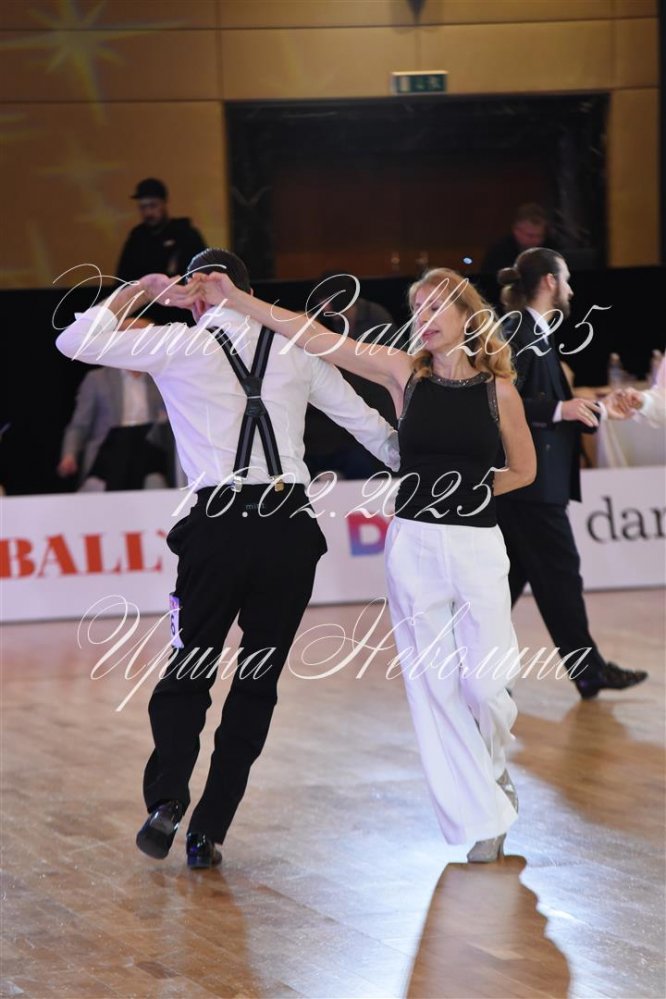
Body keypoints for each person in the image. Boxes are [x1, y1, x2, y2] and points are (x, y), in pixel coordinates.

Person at [56, 249, 400, 870]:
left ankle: (167, 799)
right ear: (245, 290)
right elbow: (369, 426)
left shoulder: (179, 345)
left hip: (216, 529)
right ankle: (209, 830)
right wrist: (434, 468)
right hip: (289, 531)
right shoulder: (296, 347)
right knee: (256, 684)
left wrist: (138, 289)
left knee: (188, 669)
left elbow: (74, 341)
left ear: (198, 294)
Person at [190, 265, 537, 864]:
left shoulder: (498, 391)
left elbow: (525, 469)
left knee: (485, 686)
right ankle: (481, 813)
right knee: (433, 688)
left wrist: (471, 491)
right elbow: (313, 336)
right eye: (418, 308)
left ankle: (493, 767)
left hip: (478, 546)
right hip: (413, 547)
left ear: (467, 316)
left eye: (437, 307)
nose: (425, 318)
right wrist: (238, 299)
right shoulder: (404, 373)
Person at [494, 248, 648, 699]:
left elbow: (553, 407)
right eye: (566, 279)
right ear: (549, 282)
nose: (571, 289)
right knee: (558, 577)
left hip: (532, 486)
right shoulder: (518, 330)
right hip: (531, 487)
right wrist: (562, 409)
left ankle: (478, 672)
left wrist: (600, 408)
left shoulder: (532, 332)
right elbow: (499, 401)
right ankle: (587, 671)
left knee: (513, 584)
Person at [304, 272, 399, 479]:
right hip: (361, 396)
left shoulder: (376, 319)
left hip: (381, 397)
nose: (323, 309)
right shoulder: (340, 322)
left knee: (380, 452)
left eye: (326, 302)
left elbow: (372, 364)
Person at [57, 318, 171, 491]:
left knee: (154, 474)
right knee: (122, 442)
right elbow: (80, 425)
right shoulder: (98, 379)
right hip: (107, 458)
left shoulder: (162, 379)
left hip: (149, 455)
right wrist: (69, 454)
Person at [116, 178, 206, 283]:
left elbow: (203, 272)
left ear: (164, 203)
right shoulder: (136, 238)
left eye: (153, 205)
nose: (148, 212)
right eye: (143, 207)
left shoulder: (186, 235)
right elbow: (123, 279)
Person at [481, 204, 559, 305]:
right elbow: (491, 283)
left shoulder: (551, 248)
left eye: (540, 236)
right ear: (516, 231)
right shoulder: (499, 251)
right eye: (530, 236)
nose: (535, 241)